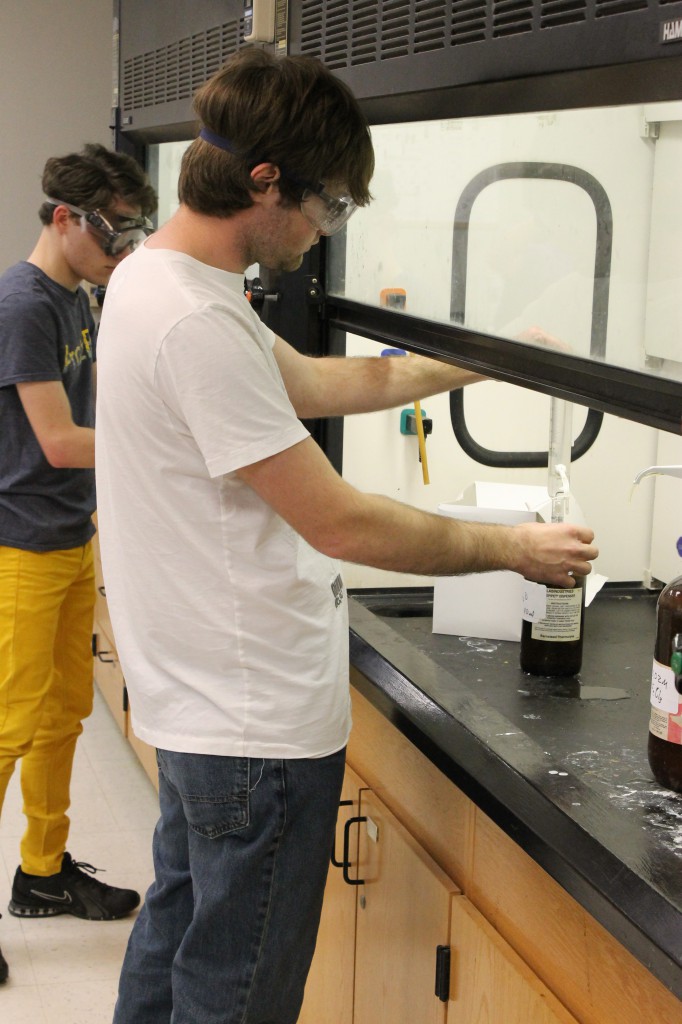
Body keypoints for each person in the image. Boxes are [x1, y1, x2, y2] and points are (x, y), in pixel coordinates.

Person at [94, 47, 598, 1024]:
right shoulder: (194, 323)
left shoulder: (164, 284)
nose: (323, 231)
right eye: (327, 205)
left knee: (175, 942)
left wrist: (482, 361)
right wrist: (514, 549)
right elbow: (339, 518)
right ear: (265, 180)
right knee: (233, 994)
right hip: (255, 726)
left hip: (204, 706)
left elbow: (330, 383)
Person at [0, 143, 157, 985]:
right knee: (8, 727)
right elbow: (60, 442)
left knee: (63, 714)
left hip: (67, 536)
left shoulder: (78, 295)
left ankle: (44, 871)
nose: (123, 251)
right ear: (65, 220)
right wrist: (169, 446)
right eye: (114, 233)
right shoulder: (23, 305)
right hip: (17, 544)